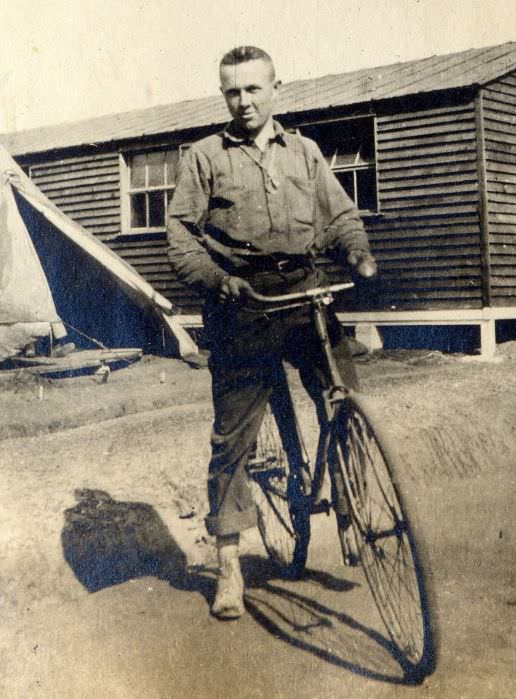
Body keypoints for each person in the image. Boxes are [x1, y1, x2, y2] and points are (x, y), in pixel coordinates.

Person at [167, 46, 377, 620]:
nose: (244, 101)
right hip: (243, 301)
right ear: (223, 95)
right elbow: (182, 238)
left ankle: (356, 507)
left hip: (306, 290)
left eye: (254, 89)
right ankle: (229, 566)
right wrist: (218, 280)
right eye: (233, 92)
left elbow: (337, 215)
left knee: (346, 399)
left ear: (276, 88)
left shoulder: (304, 151)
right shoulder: (204, 157)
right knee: (233, 438)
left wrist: (356, 251)